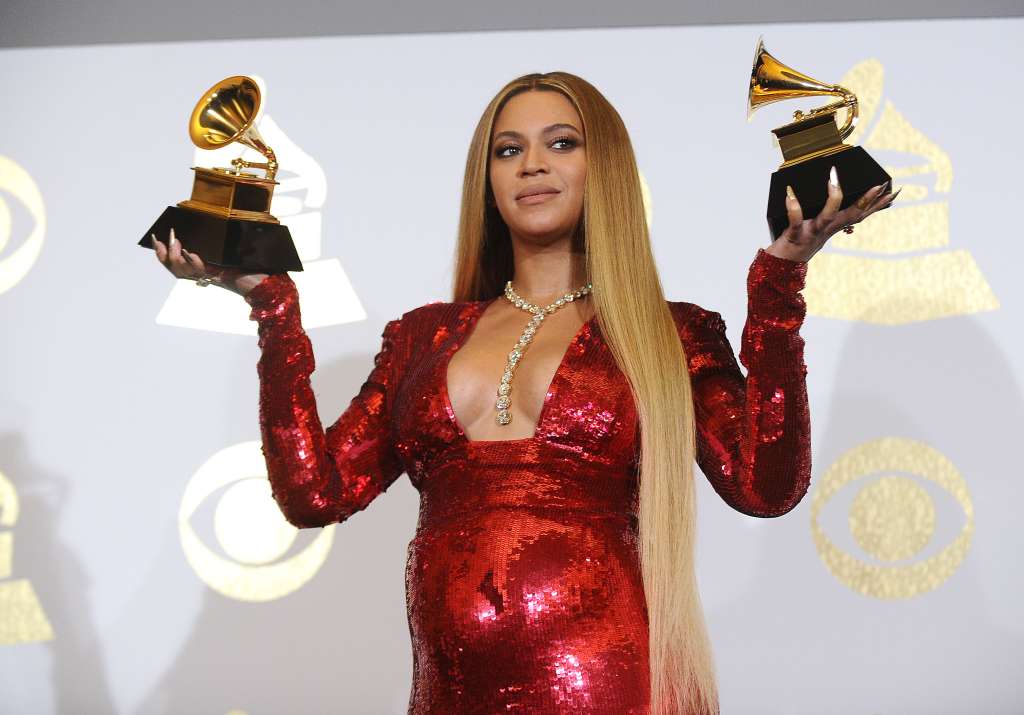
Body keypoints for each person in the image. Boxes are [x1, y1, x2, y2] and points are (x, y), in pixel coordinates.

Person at [151, 71, 896, 714]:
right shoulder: (422, 337)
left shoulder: (668, 333)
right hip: (449, 693)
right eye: (508, 149)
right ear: (487, 175)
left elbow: (767, 484)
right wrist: (273, 309)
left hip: (616, 688)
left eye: (560, 143)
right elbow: (313, 492)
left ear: (602, 165)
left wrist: (779, 282)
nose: (532, 165)